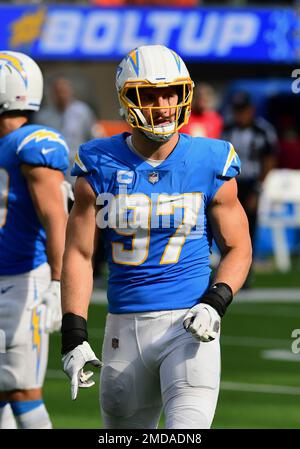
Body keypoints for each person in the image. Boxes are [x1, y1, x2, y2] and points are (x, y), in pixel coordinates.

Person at [61, 45, 252, 429]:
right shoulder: (97, 163)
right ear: (127, 99)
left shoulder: (209, 160)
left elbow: (238, 247)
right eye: (149, 94)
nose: (163, 104)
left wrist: (215, 303)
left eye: (170, 93)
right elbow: (80, 253)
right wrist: (73, 333)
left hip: (190, 325)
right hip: (123, 329)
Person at [0, 51, 69, 429]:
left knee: (21, 388)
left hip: (22, 280)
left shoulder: (32, 144)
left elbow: (55, 217)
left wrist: (59, 283)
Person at [222, 91, 278, 285]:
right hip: (230, 184)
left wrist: (258, 188)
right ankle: (226, 272)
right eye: (237, 111)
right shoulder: (228, 129)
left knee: (249, 229)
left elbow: (269, 159)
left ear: (251, 110)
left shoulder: (262, 130)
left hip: (251, 183)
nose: (240, 115)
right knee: (224, 229)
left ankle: (245, 274)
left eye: (243, 110)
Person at [35, 76, 96, 185]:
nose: (61, 95)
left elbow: (93, 139)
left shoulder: (83, 111)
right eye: (58, 91)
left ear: (70, 91)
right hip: (53, 173)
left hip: (78, 172)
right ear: (52, 94)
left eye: (64, 90)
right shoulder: (42, 117)